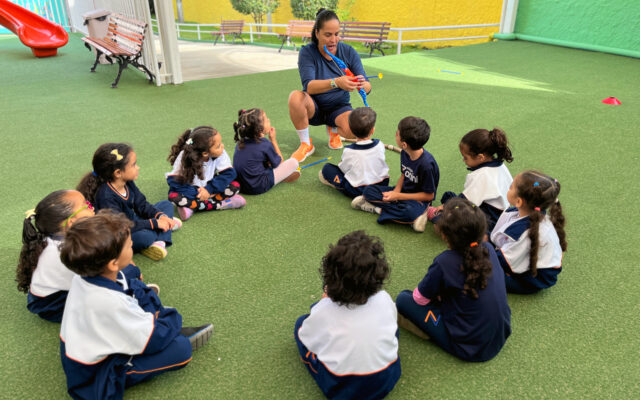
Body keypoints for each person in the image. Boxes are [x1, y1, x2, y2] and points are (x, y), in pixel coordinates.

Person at [59, 211, 213, 400]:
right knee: (181, 349)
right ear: (113, 263)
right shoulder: (108, 302)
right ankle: (166, 330)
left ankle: (156, 322)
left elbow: (130, 286)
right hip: (95, 376)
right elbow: (153, 339)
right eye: (129, 246)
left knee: (136, 283)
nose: (132, 245)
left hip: (92, 345)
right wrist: (172, 319)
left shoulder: (83, 276)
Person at [396, 198, 512, 362]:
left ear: (444, 235)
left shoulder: (444, 262)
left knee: (403, 299)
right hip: (499, 335)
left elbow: (419, 299)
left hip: (469, 347)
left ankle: (428, 331)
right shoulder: (489, 249)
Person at [294, 231, 400, 399]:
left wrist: (324, 302)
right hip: (388, 376)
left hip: (344, 389)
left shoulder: (325, 310)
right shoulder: (384, 298)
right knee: (390, 325)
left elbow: (307, 338)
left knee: (300, 325)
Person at [288, 8, 372, 162]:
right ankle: (306, 144)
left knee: (356, 129)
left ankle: (333, 129)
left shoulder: (348, 51)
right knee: (295, 97)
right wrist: (337, 82)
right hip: (314, 107)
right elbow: (309, 86)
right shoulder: (307, 52)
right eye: (328, 35)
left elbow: (368, 87)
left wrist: (362, 84)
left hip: (339, 108)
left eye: (336, 34)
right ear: (317, 33)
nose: (333, 40)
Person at [77, 143, 181, 261]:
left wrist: (160, 216)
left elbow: (142, 205)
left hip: (133, 221)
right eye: (134, 165)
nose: (138, 167)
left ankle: (159, 241)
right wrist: (153, 223)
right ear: (118, 173)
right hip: (119, 232)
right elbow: (119, 227)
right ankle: (161, 234)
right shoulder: (106, 196)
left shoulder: (127, 182)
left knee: (166, 205)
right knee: (144, 237)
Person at [16, 190, 95, 322]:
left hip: (50, 293)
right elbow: (94, 278)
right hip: (52, 305)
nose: (90, 206)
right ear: (70, 222)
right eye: (85, 205)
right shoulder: (67, 251)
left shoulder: (58, 238)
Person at [352, 116, 439, 232]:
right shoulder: (405, 153)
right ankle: (411, 215)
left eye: (397, 133)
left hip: (418, 200)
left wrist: (398, 196)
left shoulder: (426, 165)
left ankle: (378, 210)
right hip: (403, 192)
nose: (395, 134)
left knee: (409, 212)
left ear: (404, 144)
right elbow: (404, 174)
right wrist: (396, 191)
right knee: (368, 191)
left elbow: (429, 196)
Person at [490, 171, 567, 294]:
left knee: (485, 272)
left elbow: (504, 260)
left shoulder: (524, 233)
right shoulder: (530, 215)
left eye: (511, 187)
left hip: (533, 279)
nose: (509, 187)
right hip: (528, 263)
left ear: (519, 201)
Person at [428, 128, 514, 232]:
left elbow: (464, 202)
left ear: (480, 157)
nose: (463, 160)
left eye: (465, 158)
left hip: (489, 220)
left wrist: (445, 207)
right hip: (502, 216)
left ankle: (438, 217)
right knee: (449, 197)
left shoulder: (481, 175)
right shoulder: (500, 165)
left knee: (452, 214)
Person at [166, 126, 245, 220]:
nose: (222, 146)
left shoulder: (220, 153)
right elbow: (174, 181)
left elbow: (229, 173)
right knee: (173, 196)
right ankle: (220, 204)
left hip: (210, 187)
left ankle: (192, 206)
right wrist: (199, 193)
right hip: (191, 189)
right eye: (218, 146)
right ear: (205, 153)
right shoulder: (184, 156)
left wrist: (209, 189)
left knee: (235, 186)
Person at [319, 107, 389, 198]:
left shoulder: (349, 151)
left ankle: (363, 197)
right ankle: (371, 196)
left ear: (351, 131)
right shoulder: (380, 144)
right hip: (382, 185)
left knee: (327, 168)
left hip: (357, 190)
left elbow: (344, 170)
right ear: (372, 130)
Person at [232, 108, 300, 195]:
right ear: (259, 129)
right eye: (266, 120)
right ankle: (281, 177)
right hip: (259, 186)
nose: (269, 120)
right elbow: (279, 162)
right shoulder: (265, 144)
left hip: (242, 186)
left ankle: (280, 175)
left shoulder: (240, 143)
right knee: (294, 162)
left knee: (264, 162)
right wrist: (273, 140)